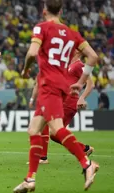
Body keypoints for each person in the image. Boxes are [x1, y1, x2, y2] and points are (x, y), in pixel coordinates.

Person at [13, 0, 99, 192]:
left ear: (44, 11)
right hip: (60, 86)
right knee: (34, 130)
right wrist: (80, 81)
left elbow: (32, 53)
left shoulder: (41, 28)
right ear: (60, 11)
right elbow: (93, 57)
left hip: (48, 85)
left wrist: (26, 70)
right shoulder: (72, 34)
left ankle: (87, 163)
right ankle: (30, 180)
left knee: (56, 130)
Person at [28, 53, 95, 165]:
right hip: (60, 101)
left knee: (55, 132)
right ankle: (44, 157)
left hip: (69, 103)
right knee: (50, 129)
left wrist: (82, 98)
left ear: (77, 51)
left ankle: (83, 149)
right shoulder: (67, 64)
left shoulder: (79, 65)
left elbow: (90, 84)